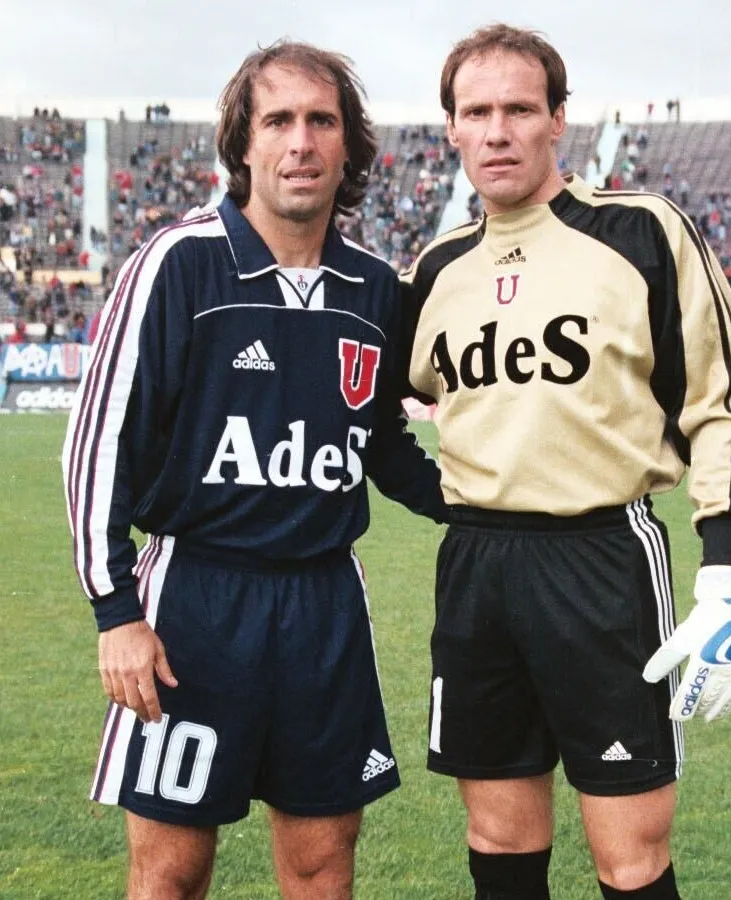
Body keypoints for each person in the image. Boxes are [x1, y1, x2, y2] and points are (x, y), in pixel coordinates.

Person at [62, 40, 445, 900]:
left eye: (321, 121)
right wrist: (116, 611)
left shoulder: (375, 288)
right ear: (243, 144)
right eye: (279, 121)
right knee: (169, 873)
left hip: (325, 606)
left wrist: (481, 501)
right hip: (196, 602)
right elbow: (95, 449)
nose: (300, 142)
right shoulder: (180, 264)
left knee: (322, 867)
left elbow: (381, 442)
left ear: (349, 145)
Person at [401, 24, 731, 900]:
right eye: (476, 112)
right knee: (496, 839)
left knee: (630, 860)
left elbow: (723, 401)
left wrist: (728, 575)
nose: (497, 131)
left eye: (520, 109)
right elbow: (378, 403)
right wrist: (441, 494)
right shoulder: (435, 267)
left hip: (601, 561)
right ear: (449, 128)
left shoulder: (641, 233)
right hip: (477, 569)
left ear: (559, 119)